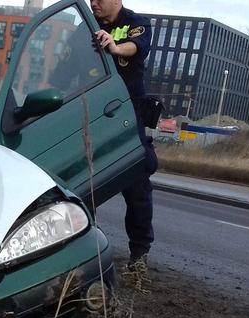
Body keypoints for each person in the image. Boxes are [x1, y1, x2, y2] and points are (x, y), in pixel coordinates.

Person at [91, 0, 158, 271]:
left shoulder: (136, 23)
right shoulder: (85, 25)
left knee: (137, 182)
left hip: (127, 117)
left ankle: (140, 254)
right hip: (91, 115)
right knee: (83, 185)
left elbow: (136, 47)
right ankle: (84, 251)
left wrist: (115, 47)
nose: (93, 3)